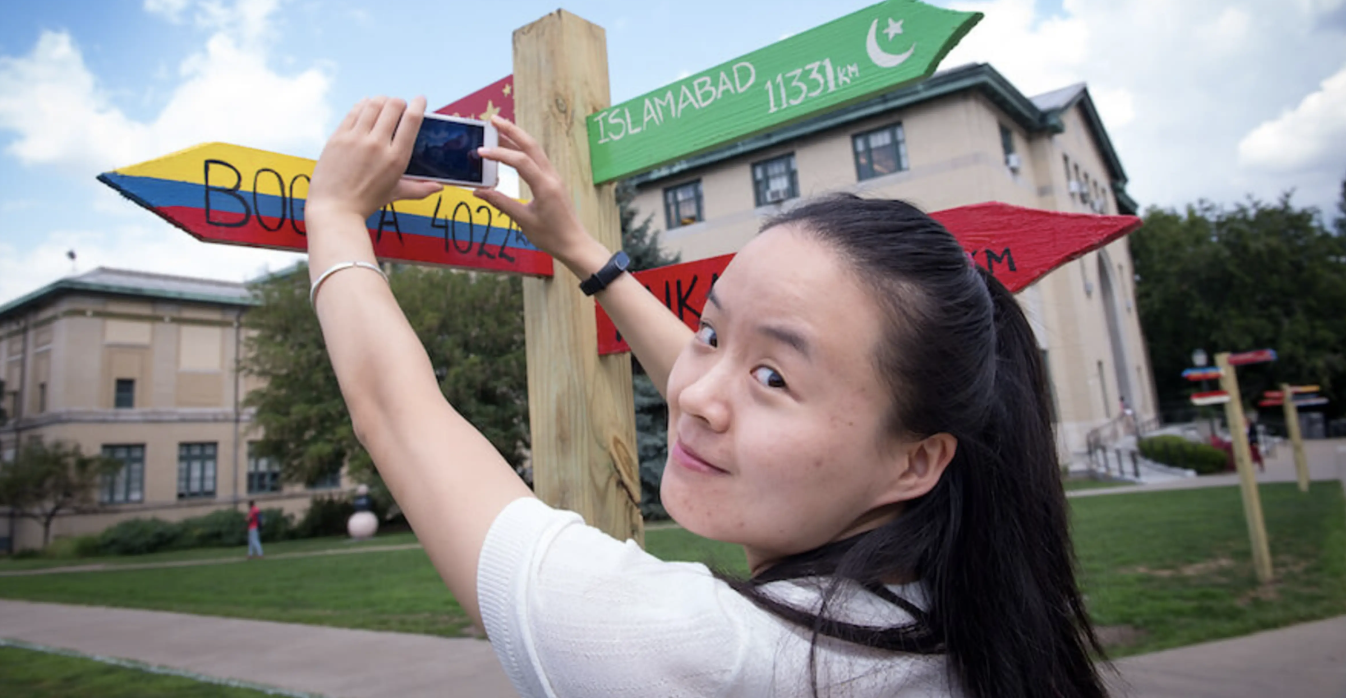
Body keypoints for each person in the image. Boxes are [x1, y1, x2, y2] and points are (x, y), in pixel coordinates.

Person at [304, 97, 1109, 698]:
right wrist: (580, 249)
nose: (696, 398)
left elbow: (400, 417)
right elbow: (711, 385)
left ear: (917, 460)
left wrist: (335, 212)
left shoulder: (706, 654)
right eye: (710, 330)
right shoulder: (959, 620)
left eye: (773, 378)